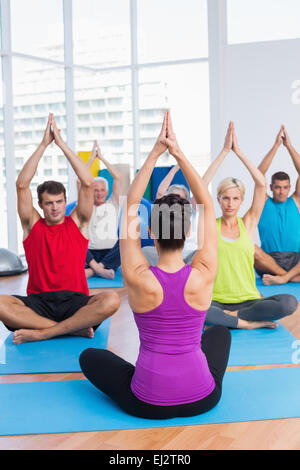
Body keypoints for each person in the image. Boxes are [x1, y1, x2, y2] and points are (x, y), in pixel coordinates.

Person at [79, 111, 231, 420]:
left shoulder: (137, 276)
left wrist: (155, 153)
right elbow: (206, 202)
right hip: (202, 398)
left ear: (151, 233)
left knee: (89, 356)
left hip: (147, 401)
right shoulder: (203, 271)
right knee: (220, 335)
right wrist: (177, 152)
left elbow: (131, 203)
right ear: (188, 232)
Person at [0, 114, 120, 345]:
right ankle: (70, 329)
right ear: (41, 205)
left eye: (59, 202)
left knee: (111, 300)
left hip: (75, 302)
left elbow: (87, 182)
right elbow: (21, 184)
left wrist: (62, 144)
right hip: (39, 303)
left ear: (66, 202)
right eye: (49, 203)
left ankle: (44, 332)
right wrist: (44, 144)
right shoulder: (32, 225)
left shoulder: (78, 223)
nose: (55, 208)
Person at [203, 122, 298, 330]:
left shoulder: (248, 223)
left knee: (289, 302)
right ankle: (248, 324)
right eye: (226, 198)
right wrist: (224, 151)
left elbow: (261, 183)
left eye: (235, 198)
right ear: (218, 200)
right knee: (197, 310)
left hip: (248, 298)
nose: (230, 203)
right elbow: (201, 186)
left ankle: (234, 317)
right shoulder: (211, 225)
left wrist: (239, 152)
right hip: (217, 299)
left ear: (241, 200)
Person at [254, 126, 300, 285]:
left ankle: (284, 278)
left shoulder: (296, 201)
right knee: (251, 251)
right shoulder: (264, 202)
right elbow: (258, 175)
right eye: (278, 187)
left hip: (296, 260)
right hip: (269, 261)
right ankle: (290, 277)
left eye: (285, 187)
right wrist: (275, 147)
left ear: (290, 188)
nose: (282, 192)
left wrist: (289, 146)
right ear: (271, 188)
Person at [142, 165, 199, 265]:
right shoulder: (164, 212)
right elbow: (160, 194)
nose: (177, 202)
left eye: (181, 199)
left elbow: (201, 186)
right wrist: (175, 168)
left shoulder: (191, 210)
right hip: (166, 256)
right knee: (145, 251)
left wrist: (184, 163)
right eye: (173, 198)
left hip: (188, 256)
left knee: (201, 253)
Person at [84, 141, 122, 280]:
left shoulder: (113, 203)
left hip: (110, 253)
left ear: (107, 191)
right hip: (90, 254)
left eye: (102, 190)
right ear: (91, 192)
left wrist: (102, 158)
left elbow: (117, 177)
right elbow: (79, 180)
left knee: (124, 243)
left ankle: (93, 271)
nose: (99, 193)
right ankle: (102, 270)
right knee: (77, 242)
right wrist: (92, 159)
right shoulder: (86, 205)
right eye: (95, 190)